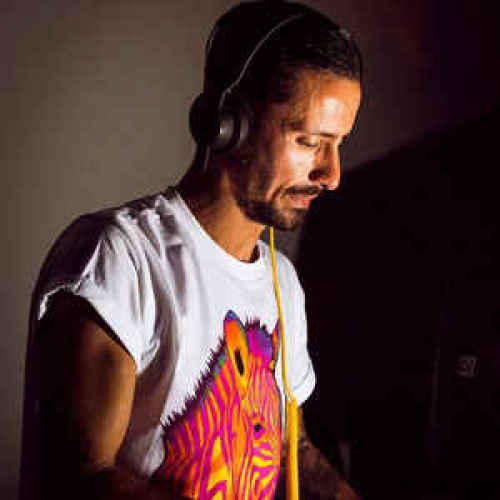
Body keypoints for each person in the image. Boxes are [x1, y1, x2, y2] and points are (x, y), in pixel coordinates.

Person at [19, 1, 362, 499]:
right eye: (310, 141)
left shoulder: (282, 282)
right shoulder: (120, 259)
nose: (332, 174)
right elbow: (82, 479)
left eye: (339, 143)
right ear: (228, 123)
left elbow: (295, 448)